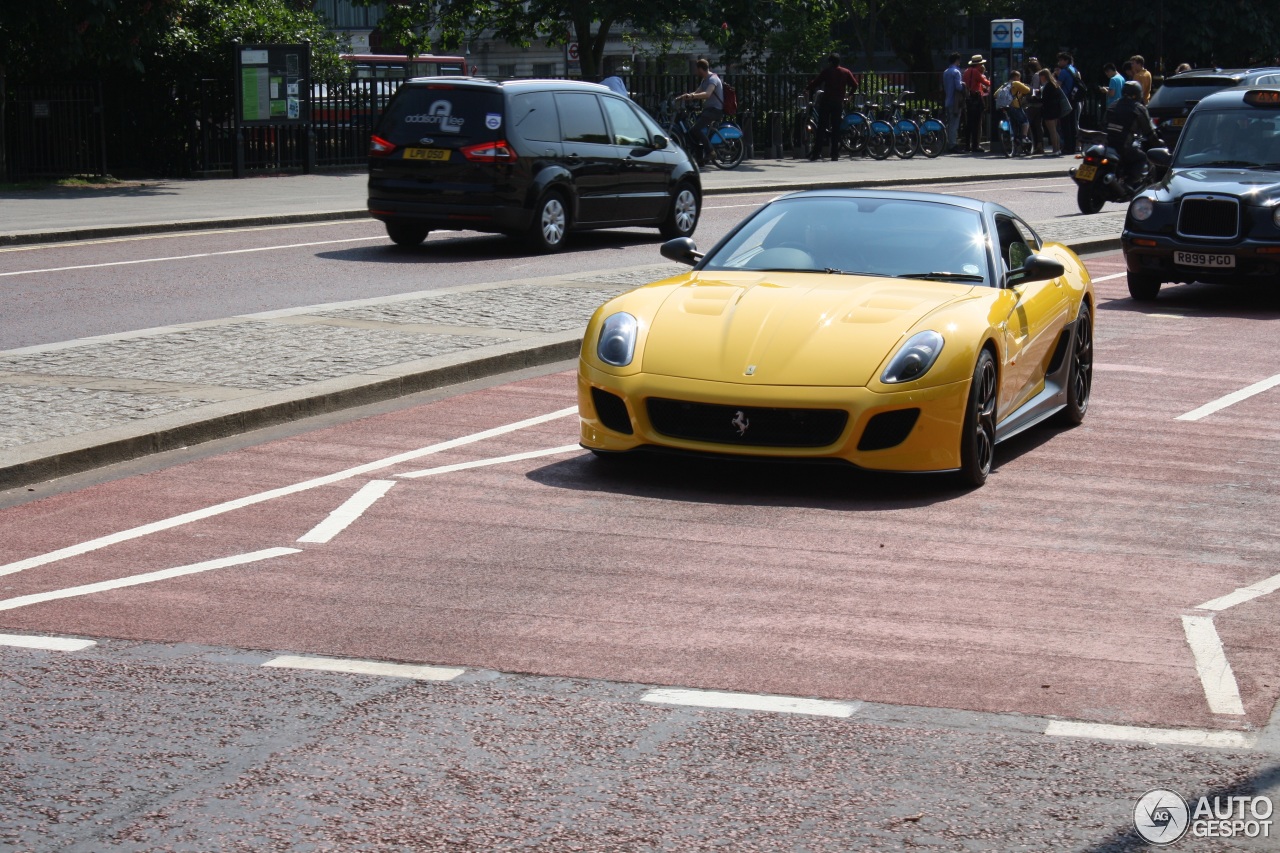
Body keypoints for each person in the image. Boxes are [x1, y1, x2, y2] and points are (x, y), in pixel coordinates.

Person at [805, 52, 860, 161]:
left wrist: (807, 88)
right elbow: (855, 85)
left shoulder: (827, 72)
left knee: (821, 128)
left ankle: (816, 153)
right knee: (836, 128)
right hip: (838, 102)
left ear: (830, 62)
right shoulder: (845, 72)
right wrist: (849, 95)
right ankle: (834, 154)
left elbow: (816, 82)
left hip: (826, 102)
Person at [1106, 79, 1158, 188]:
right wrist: (1157, 143)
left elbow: (1102, 124)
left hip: (1107, 144)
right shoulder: (1138, 108)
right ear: (1137, 94)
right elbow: (1148, 131)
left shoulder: (1113, 105)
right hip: (1123, 146)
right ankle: (1128, 184)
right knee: (1142, 158)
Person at [676, 58, 724, 167]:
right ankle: (700, 159)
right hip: (709, 110)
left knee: (695, 129)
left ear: (701, 69)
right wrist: (684, 97)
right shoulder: (705, 80)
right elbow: (697, 92)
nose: (697, 72)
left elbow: (707, 94)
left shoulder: (713, 79)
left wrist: (692, 96)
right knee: (692, 131)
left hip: (715, 110)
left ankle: (711, 151)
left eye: (697, 70)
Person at [1037, 68, 1071, 155]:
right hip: (1056, 110)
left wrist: (1035, 99)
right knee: (1055, 130)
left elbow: (1045, 100)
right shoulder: (1054, 84)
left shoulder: (1048, 86)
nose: (1040, 78)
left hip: (1049, 110)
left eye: (1041, 76)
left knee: (1052, 131)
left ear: (1044, 76)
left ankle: (1055, 149)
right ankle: (1058, 148)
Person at [961, 54, 990, 153]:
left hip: (968, 99)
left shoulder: (966, 72)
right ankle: (975, 145)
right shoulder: (977, 72)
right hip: (977, 98)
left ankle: (967, 145)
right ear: (978, 64)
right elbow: (986, 83)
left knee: (969, 123)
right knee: (977, 123)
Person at [1056, 52, 1082, 154]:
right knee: (1073, 123)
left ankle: (1067, 147)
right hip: (1074, 98)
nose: (1059, 62)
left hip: (1066, 99)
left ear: (1065, 61)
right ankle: (1073, 146)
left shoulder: (1063, 72)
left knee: (1065, 124)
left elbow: (1058, 86)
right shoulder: (1074, 70)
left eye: (1060, 60)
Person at [942, 52, 966, 152]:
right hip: (955, 102)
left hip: (947, 100)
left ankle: (948, 142)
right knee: (954, 124)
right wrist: (963, 84)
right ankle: (953, 144)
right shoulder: (956, 72)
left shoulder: (946, 71)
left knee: (949, 124)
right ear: (957, 60)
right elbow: (958, 87)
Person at [1004, 70, 1032, 148]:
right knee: (1025, 121)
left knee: (1013, 123)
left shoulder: (1005, 84)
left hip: (1005, 107)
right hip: (1015, 106)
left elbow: (995, 94)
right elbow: (1028, 90)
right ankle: (1024, 137)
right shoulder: (1016, 83)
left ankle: (1014, 140)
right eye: (1019, 77)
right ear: (1016, 77)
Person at [1024, 56, 1045, 154]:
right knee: (1038, 125)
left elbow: (1035, 89)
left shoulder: (1036, 76)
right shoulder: (1041, 74)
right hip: (1040, 104)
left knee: (1027, 123)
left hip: (1034, 103)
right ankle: (1039, 145)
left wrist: (1028, 87)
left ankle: (1030, 144)